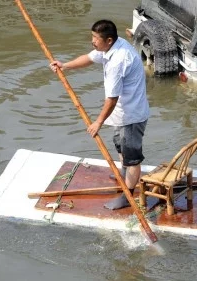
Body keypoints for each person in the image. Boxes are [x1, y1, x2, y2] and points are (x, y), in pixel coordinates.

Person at [50, 20, 150, 210]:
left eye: (96, 38)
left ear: (109, 40)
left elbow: (111, 98)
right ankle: (124, 174)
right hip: (121, 112)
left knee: (132, 157)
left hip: (131, 115)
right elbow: (89, 58)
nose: (93, 41)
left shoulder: (118, 61)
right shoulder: (111, 47)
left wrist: (98, 122)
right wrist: (65, 66)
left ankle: (127, 196)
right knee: (120, 146)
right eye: (93, 37)